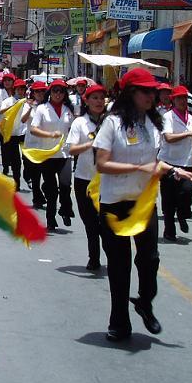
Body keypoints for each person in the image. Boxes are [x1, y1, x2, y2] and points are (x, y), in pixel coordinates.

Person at [94, 69, 192, 341]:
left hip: (144, 202)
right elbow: (102, 164)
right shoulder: (112, 123)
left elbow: (155, 162)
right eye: (145, 91)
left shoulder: (153, 124)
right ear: (130, 94)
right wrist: (138, 167)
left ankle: (144, 301)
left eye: (154, 91)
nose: (152, 95)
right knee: (120, 265)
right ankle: (119, 321)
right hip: (115, 203)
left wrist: (176, 171)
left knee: (150, 259)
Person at [159, 85, 192, 240]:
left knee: (186, 192)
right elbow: (168, 138)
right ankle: (169, 230)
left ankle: (182, 215)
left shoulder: (190, 117)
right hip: (169, 162)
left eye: (184, 98)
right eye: (179, 98)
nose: (182, 101)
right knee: (169, 199)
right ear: (173, 100)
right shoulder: (167, 117)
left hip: (186, 162)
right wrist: (189, 133)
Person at [66, 83, 107, 270]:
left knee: (105, 223)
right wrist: (90, 144)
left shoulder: (112, 122)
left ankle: (112, 256)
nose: (99, 101)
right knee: (90, 222)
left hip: (107, 180)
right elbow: (70, 149)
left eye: (101, 98)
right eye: (95, 98)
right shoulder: (80, 123)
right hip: (84, 178)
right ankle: (94, 257)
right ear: (87, 101)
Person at [29, 79, 75, 231]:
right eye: (55, 90)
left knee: (65, 185)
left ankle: (65, 209)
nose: (58, 94)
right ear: (50, 92)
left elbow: (75, 129)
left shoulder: (69, 109)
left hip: (64, 154)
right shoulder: (42, 109)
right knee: (51, 189)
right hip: (47, 155)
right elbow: (33, 129)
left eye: (61, 91)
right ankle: (50, 218)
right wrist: (49, 134)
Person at [22, 81, 49, 209]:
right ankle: (36, 197)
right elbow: (23, 120)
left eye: (42, 91)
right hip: (31, 144)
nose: (40, 93)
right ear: (33, 93)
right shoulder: (28, 105)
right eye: (37, 91)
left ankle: (43, 193)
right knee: (34, 174)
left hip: (45, 145)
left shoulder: (49, 106)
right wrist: (31, 108)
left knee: (46, 174)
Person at [0, 78, 27, 190]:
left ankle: (27, 175)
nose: (20, 91)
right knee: (16, 161)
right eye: (18, 89)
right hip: (12, 134)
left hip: (24, 133)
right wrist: (14, 106)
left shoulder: (27, 102)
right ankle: (16, 182)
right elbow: (0, 111)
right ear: (15, 90)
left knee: (27, 158)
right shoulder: (8, 101)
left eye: (22, 89)